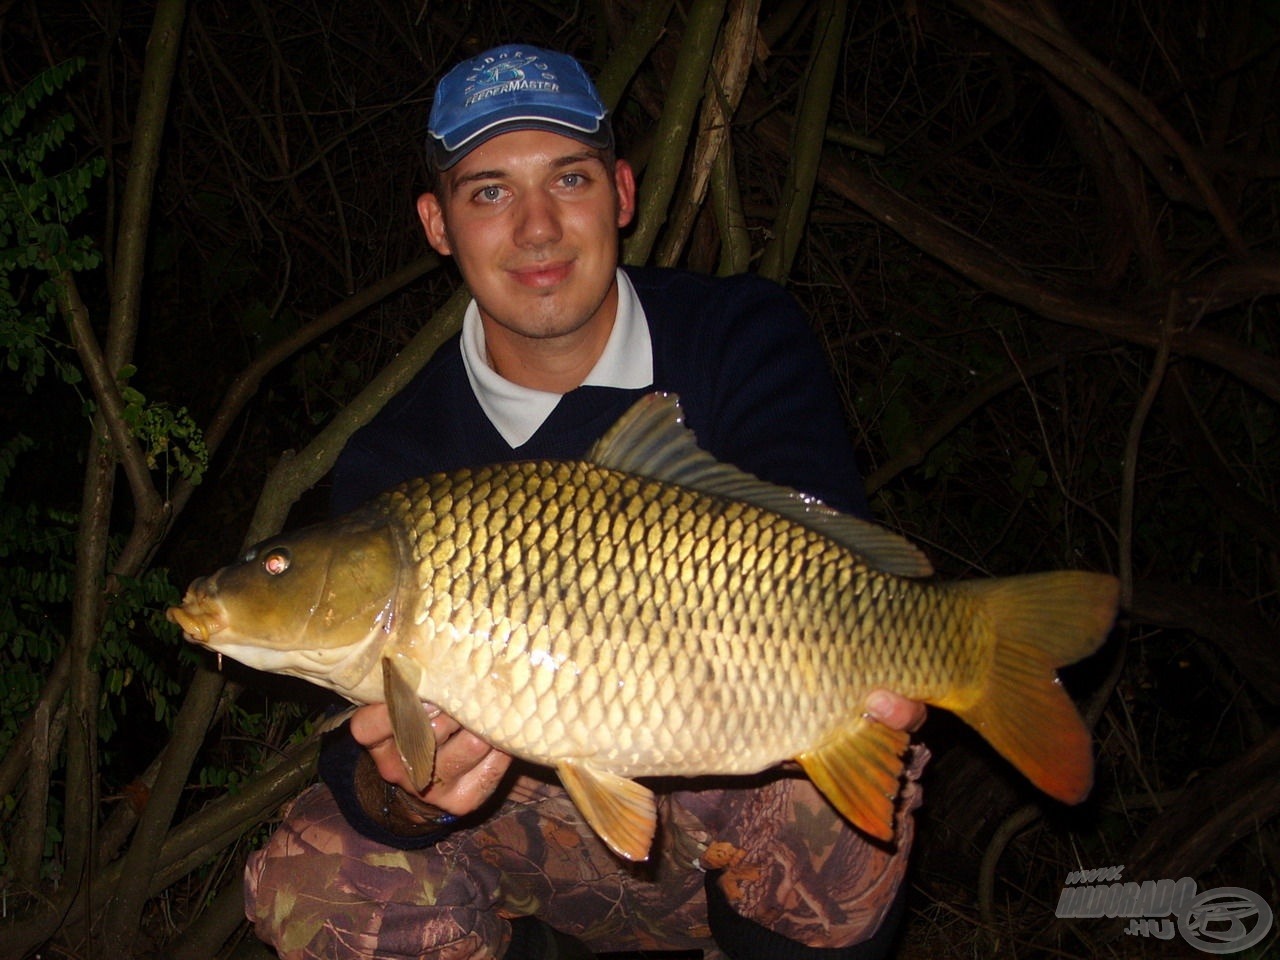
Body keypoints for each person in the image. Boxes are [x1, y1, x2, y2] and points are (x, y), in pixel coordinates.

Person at [244, 43, 927, 960]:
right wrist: (405, 788)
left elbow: (832, 549)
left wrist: (897, 658)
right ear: (437, 225)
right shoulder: (399, 458)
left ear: (623, 195)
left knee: (831, 805)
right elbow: (354, 751)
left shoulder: (739, 336)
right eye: (488, 192)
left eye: (568, 179)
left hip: (741, 795)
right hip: (540, 841)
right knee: (318, 874)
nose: (535, 228)